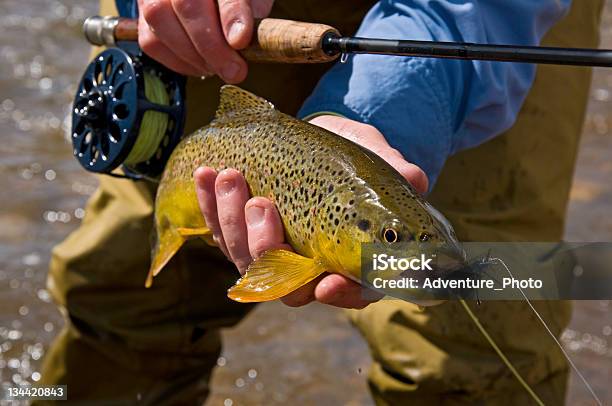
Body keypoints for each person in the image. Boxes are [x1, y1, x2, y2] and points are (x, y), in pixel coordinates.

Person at [38, 0, 603, 404]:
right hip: (238, 27)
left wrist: (381, 111)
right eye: (389, 240)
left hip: (487, 20)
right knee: (123, 305)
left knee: (463, 362)